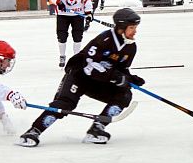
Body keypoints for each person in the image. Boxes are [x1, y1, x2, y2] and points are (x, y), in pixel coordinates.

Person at [17, 8, 144, 147]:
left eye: (135, 27)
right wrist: (115, 77)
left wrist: (130, 78)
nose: (135, 31)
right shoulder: (103, 40)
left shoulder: (130, 47)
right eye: (132, 27)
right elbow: (89, 67)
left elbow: (121, 69)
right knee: (64, 104)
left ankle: (97, 128)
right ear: (121, 28)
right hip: (78, 77)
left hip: (98, 83)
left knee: (124, 95)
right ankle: (33, 131)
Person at [48, 0, 93, 67]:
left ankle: (76, 57)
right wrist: (58, 2)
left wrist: (89, 12)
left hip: (78, 14)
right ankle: (62, 55)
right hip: (63, 14)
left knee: (77, 36)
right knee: (61, 36)